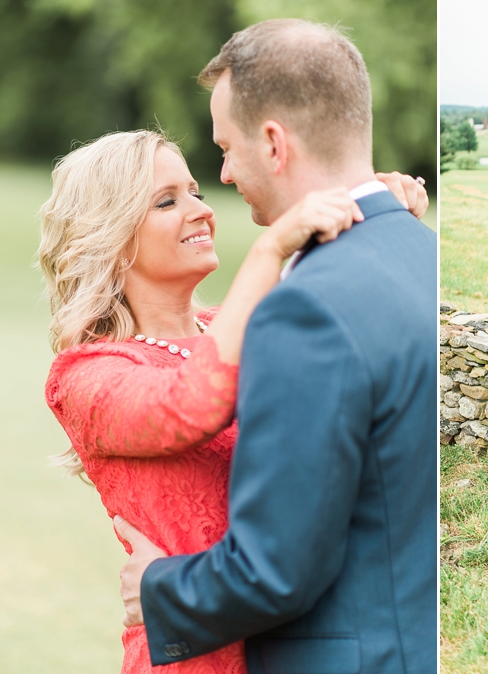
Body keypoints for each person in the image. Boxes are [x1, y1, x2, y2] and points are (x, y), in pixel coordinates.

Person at [112, 19, 437, 674]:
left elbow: (277, 569)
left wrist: (159, 586)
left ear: (273, 143)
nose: (225, 173)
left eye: (226, 149)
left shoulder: (305, 309)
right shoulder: (421, 251)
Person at [40, 129, 427, 674]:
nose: (200, 210)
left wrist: (376, 212)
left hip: (302, 639)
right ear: (114, 236)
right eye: (167, 201)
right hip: (197, 653)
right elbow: (190, 403)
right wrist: (272, 247)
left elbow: (347, 327)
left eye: (195, 191)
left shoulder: (236, 323)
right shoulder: (88, 374)